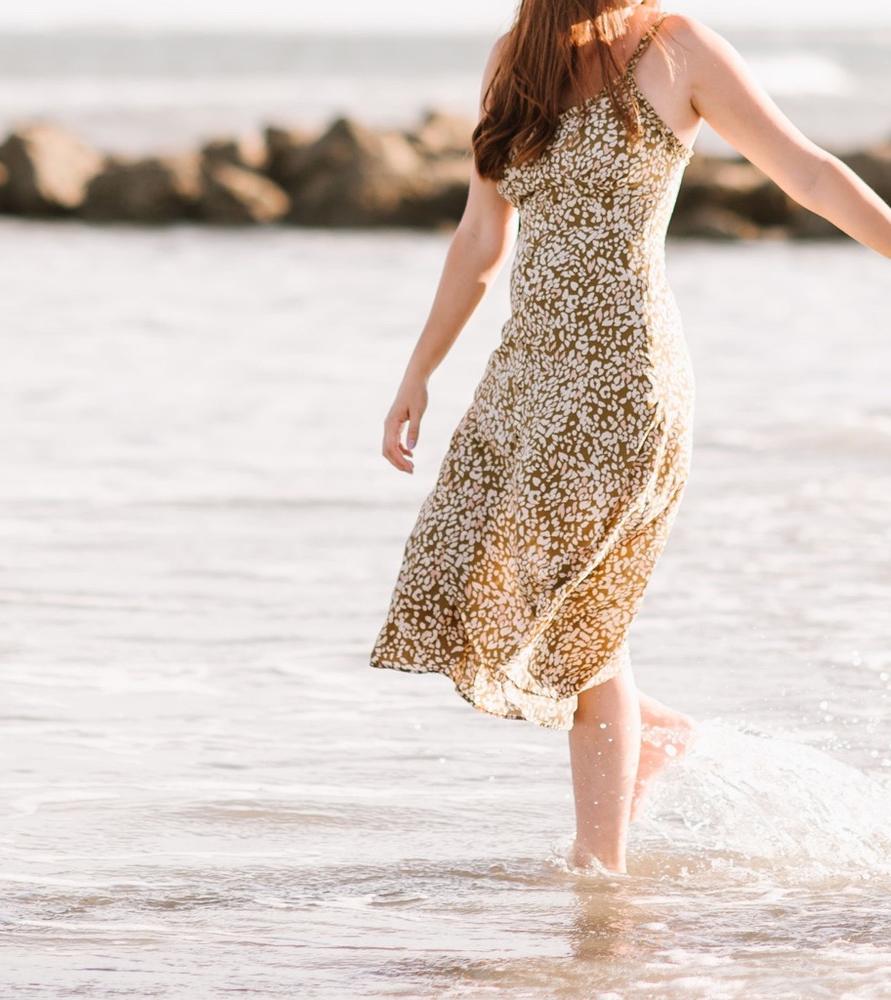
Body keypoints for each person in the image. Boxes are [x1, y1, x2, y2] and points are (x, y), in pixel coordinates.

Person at [370, 0, 891, 874]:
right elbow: (480, 236)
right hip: (527, 377)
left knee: (585, 623)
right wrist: (418, 370)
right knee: (480, 595)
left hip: (626, 383)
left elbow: (805, 174)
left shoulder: (677, 46)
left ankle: (596, 872)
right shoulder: (517, 56)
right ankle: (646, 737)